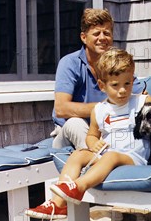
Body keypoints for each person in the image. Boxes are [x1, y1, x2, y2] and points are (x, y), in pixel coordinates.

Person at [43, 49, 151, 214]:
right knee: (78, 154)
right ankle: (58, 204)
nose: (123, 90)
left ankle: (78, 187)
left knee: (111, 156)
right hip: (107, 153)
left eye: (127, 83)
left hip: (133, 156)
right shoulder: (99, 110)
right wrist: (93, 144)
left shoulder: (141, 101)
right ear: (102, 85)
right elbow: (92, 135)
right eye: (115, 85)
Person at [51, 8, 144, 150]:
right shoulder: (70, 63)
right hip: (69, 132)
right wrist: (107, 107)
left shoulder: (116, 64)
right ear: (83, 37)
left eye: (106, 33)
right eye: (96, 33)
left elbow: (139, 97)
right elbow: (61, 108)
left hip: (106, 130)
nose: (102, 38)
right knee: (76, 123)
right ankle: (95, 163)